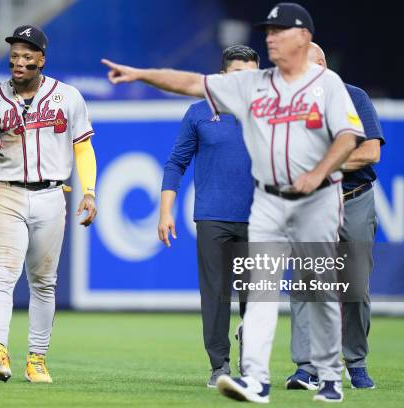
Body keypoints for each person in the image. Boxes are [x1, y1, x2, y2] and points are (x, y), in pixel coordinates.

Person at [102, 2, 365, 403]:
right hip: (255, 207)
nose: (272, 37)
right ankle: (247, 376)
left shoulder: (322, 84)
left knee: (314, 288)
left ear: (304, 38)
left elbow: (348, 136)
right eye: (269, 32)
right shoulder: (241, 93)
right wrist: (142, 74)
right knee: (251, 297)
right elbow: (189, 84)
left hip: (307, 200)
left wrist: (318, 172)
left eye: (280, 31)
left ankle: (327, 375)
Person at [0, 25, 98, 383]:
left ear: (41, 60)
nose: (19, 61)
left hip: (52, 195)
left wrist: (90, 191)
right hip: (6, 192)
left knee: (44, 282)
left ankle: (37, 359)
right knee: (2, 276)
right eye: (15, 55)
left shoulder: (67, 97)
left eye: (27, 55)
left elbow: (82, 147)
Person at [158, 45, 258, 388]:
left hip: (261, 217)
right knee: (215, 295)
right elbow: (176, 163)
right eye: (236, 75)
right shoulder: (199, 111)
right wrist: (166, 210)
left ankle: (252, 354)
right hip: (213, 216)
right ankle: (219, 367)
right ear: (221, 77)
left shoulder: (272, 114)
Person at [285, 42, 383, 391]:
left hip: (353, 199)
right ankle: (306, 367)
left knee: (354, 286)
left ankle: (354, 361)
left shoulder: (354, 97)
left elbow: (371, 152)